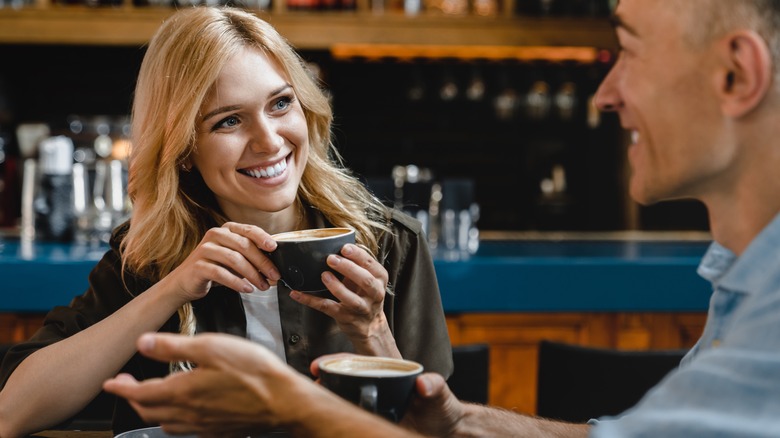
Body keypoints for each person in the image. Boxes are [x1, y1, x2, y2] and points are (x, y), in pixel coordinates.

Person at [105, 0, 780, 436]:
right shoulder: (743, 279)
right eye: (227, 120)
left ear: (735, 76)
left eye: (628, 50)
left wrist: (286, 404)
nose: (604, 92)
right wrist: (458, 421)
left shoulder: (772, 304)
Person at [0, 6, 453, 437]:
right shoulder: (145, 255)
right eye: (229, 121)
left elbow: (434, 429)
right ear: (182, 151)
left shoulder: (392, 243)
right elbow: (11, 414)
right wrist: (172, 288)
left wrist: (371, 330)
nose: (268, 140)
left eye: (280, 104)